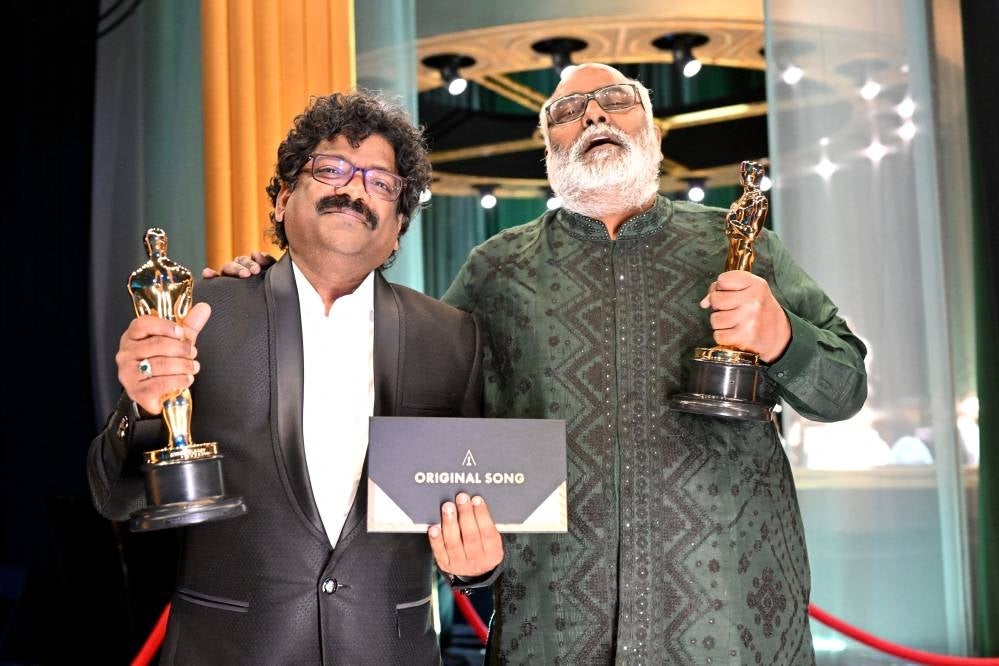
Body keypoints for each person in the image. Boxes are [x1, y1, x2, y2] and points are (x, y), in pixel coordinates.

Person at [219, 64, 868, 664]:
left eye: (616, 101)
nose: (594, 117)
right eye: (569, 110)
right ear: (549, 148)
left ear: (655, 131)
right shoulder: (497, 271)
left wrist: (784, 337)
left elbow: (845, 388)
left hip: (732, 630)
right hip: (552, 637)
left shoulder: (738, 247)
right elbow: (418, 426)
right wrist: (274, 283)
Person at [88, 91, 504, 664]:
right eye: (332, 169)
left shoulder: (454, 339)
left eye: (381, 183)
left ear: (397, 229)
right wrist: (142, 408)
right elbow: (117, 498)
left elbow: (484, 501)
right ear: (283, 200)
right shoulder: (199, 314)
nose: (355, 189)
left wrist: (478, 565)